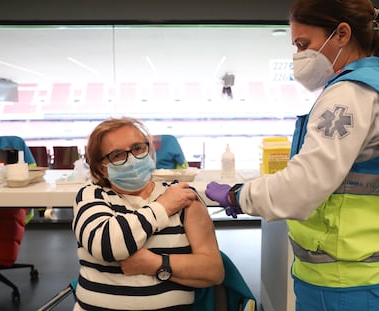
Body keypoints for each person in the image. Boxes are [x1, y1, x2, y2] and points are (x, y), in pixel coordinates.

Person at [206, 0, 379, 310]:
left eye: (304, 44)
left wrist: (238, 195)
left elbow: (301, 188)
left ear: (341, 34)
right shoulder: (369, 84)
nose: (299, 56)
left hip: (345, 282)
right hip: (350, 273)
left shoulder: (349, 94)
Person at [72, 117, 224, 311]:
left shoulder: (183, 196)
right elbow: (108, 245)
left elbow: (213, 271)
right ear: (102, 168)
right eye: (117, 155)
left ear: (150, 151)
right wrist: (163, 207)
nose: (132, 159)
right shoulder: (92, 195)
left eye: (137, 148)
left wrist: (156, 264)